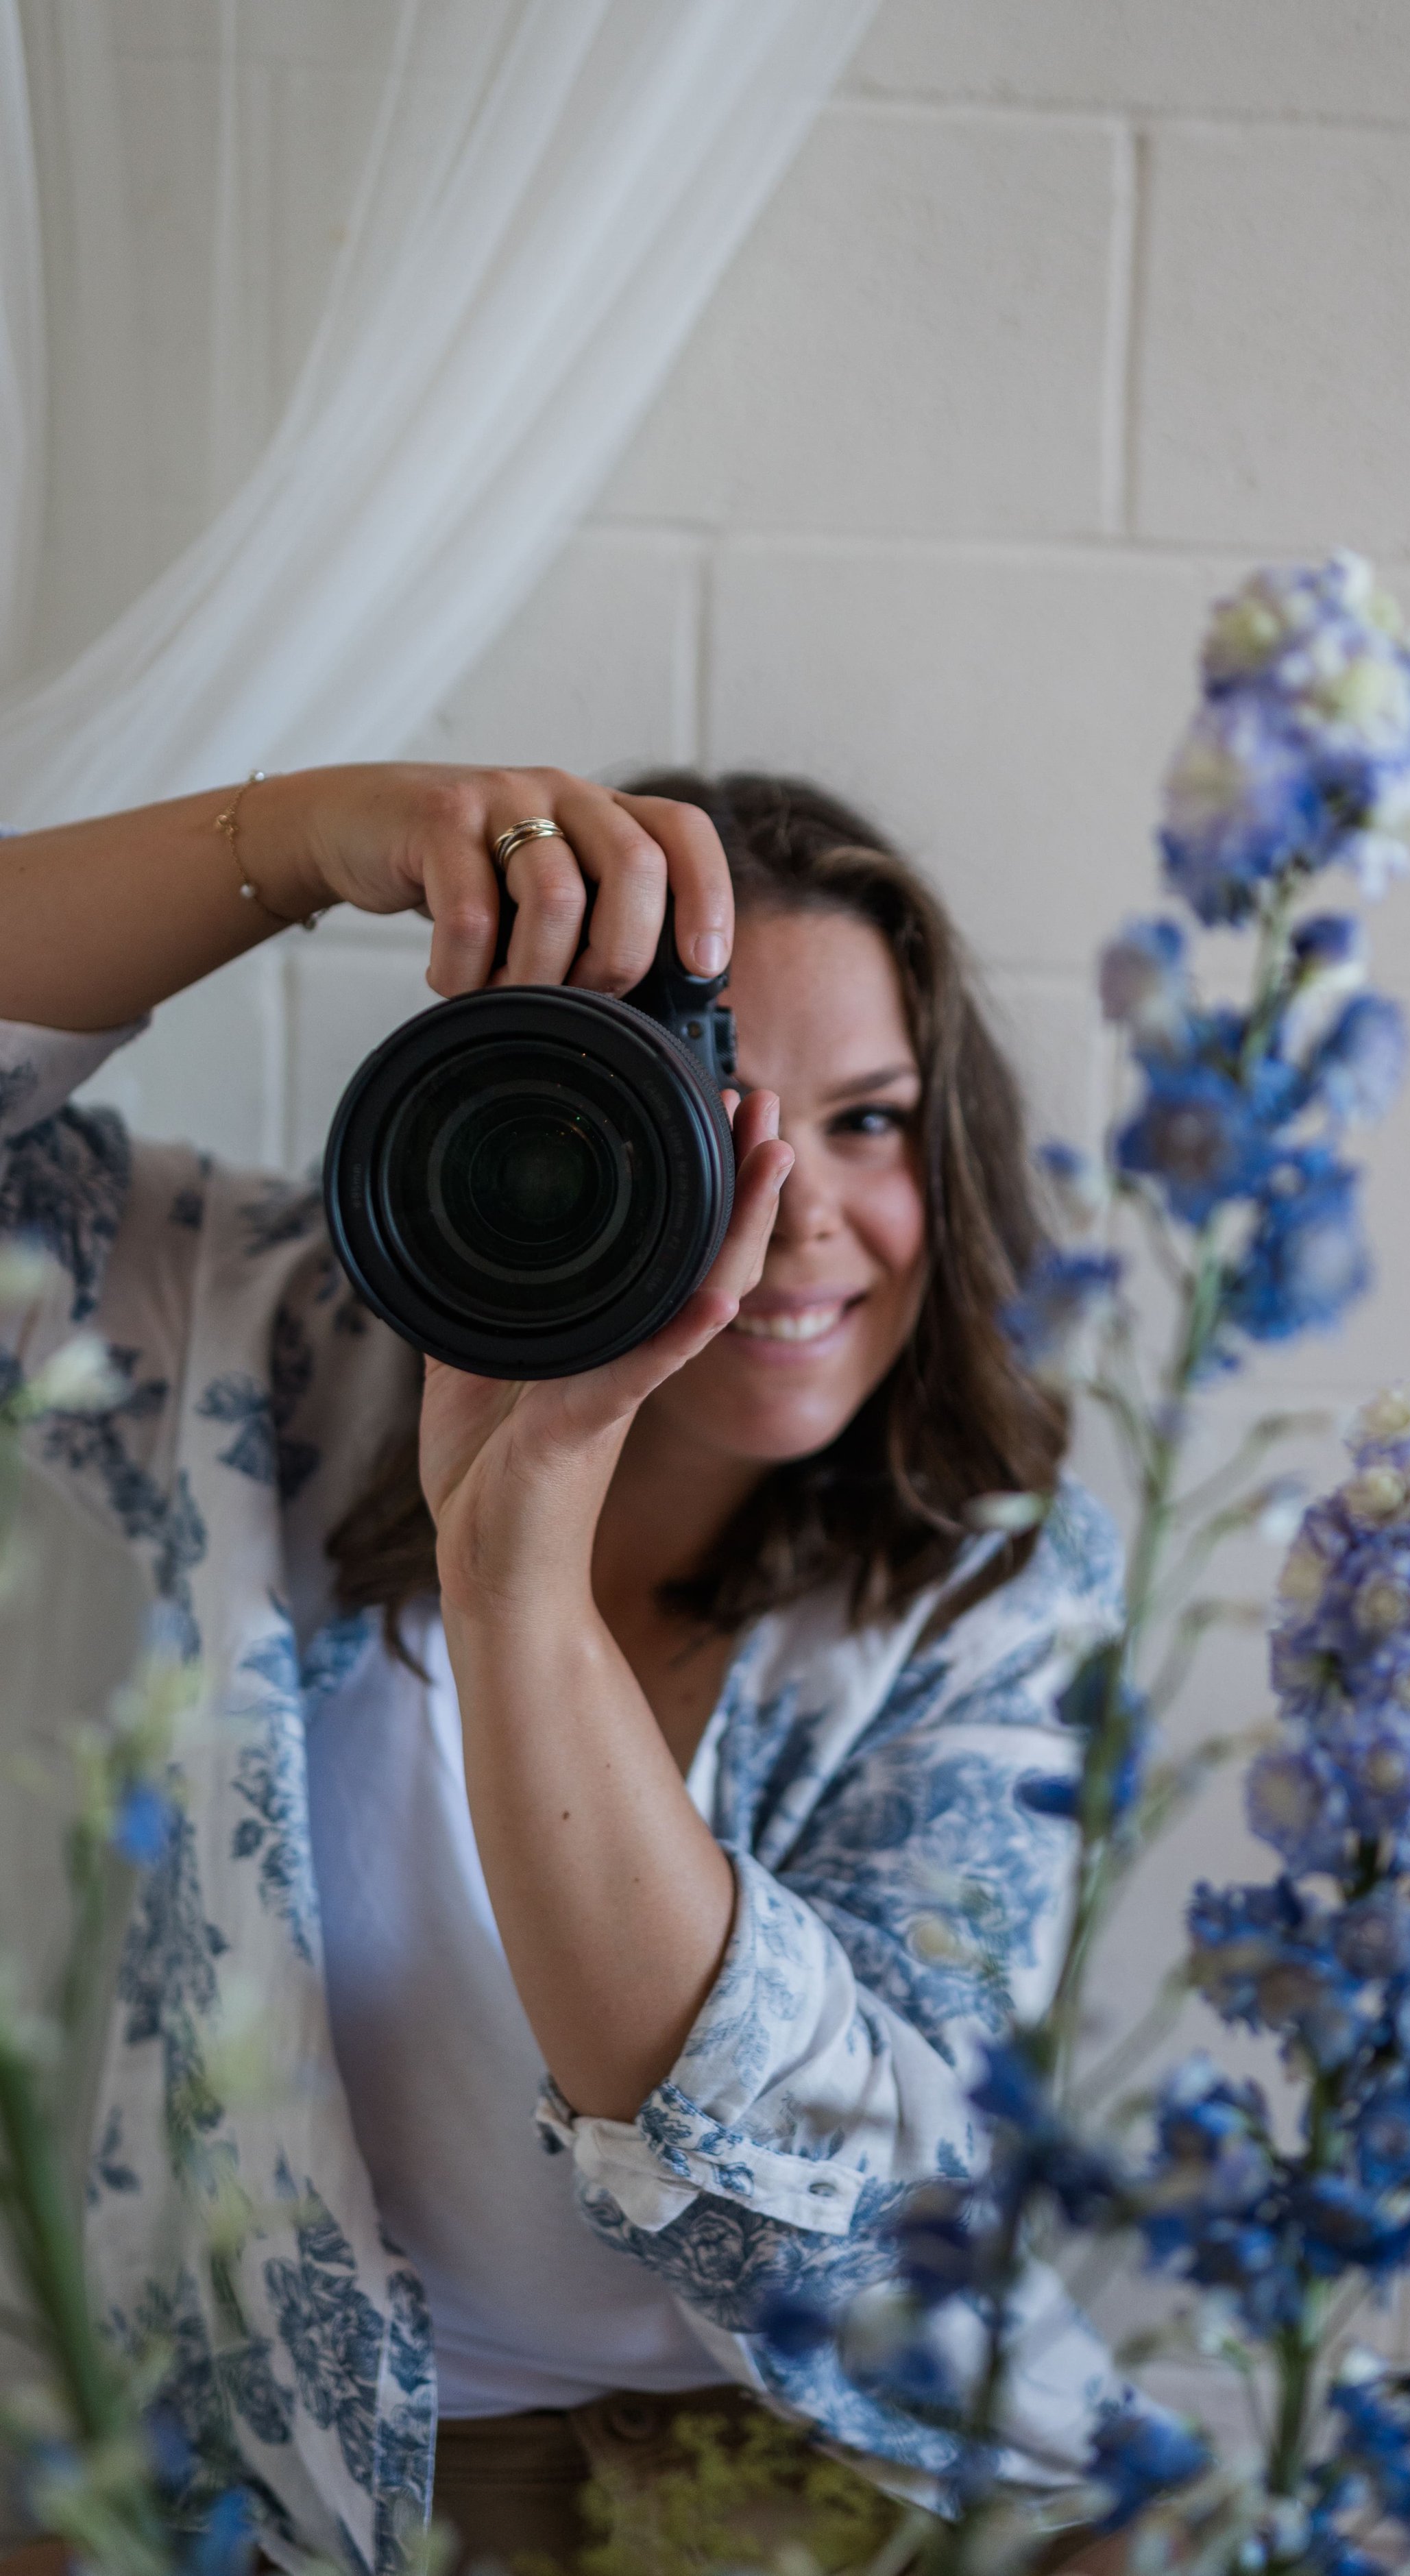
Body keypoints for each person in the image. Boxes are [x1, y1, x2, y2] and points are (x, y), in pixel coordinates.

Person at [0, 765, 1129, 2575]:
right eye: (716, 1116)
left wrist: (516, 1576)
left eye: (868, 1123)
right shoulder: (278, 1343)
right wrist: (305, 842)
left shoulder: (987, 1571)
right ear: (543, 1117)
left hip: (847, 2458)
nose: (799, 1213)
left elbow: (852, 2222)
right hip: (347, 2480)